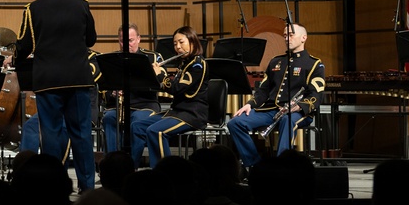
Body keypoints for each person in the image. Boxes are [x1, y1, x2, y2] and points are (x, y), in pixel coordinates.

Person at [14, 0, 98, 191]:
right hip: (78, 79)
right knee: (81, 135)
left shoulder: (33, 9)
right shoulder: (82, 5)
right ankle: (87, 187)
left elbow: (24, 45)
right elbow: (91, 40)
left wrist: (15, 59)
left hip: (48, 82)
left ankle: (52, 188)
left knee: (50, 134)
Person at [225, 22, 324, 169]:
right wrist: (250, 104)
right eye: (285, 35)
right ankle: (255, 165)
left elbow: (316, 94)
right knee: (235, 123)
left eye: (291, 35)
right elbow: (263, 90)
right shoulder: (275, 61)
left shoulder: (314, 64)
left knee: (287, 120)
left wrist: (299, 106)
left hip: (299, 112)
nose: (287, 38)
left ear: (304, 38)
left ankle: (281, 167)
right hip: (271, 110)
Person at [131, 25, 207, 168]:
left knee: (156, 131)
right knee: (138, 126)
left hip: (192, 114)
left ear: (192, 41)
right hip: (177, 111)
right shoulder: (184, 63)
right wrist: (151, 74)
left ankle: (165, 173)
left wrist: (160, 74)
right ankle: (131, 168)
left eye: (181, 42)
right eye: (175, 43)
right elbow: (167, 86)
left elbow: (177, 88)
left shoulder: (198, 65)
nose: (178, 47)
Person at [101, 22, 165, 160]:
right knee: (109, 118)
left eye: (130, 40)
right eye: (122, 41)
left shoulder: (153, 57)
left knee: (137, 121)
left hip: (145, 105)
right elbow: (103, 87)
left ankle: (131, 165)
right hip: (119, 106)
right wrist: (112, 92)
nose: (126, 45)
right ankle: (113, 163)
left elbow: (162, 83)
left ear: (139, 39)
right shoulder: (112, 59)